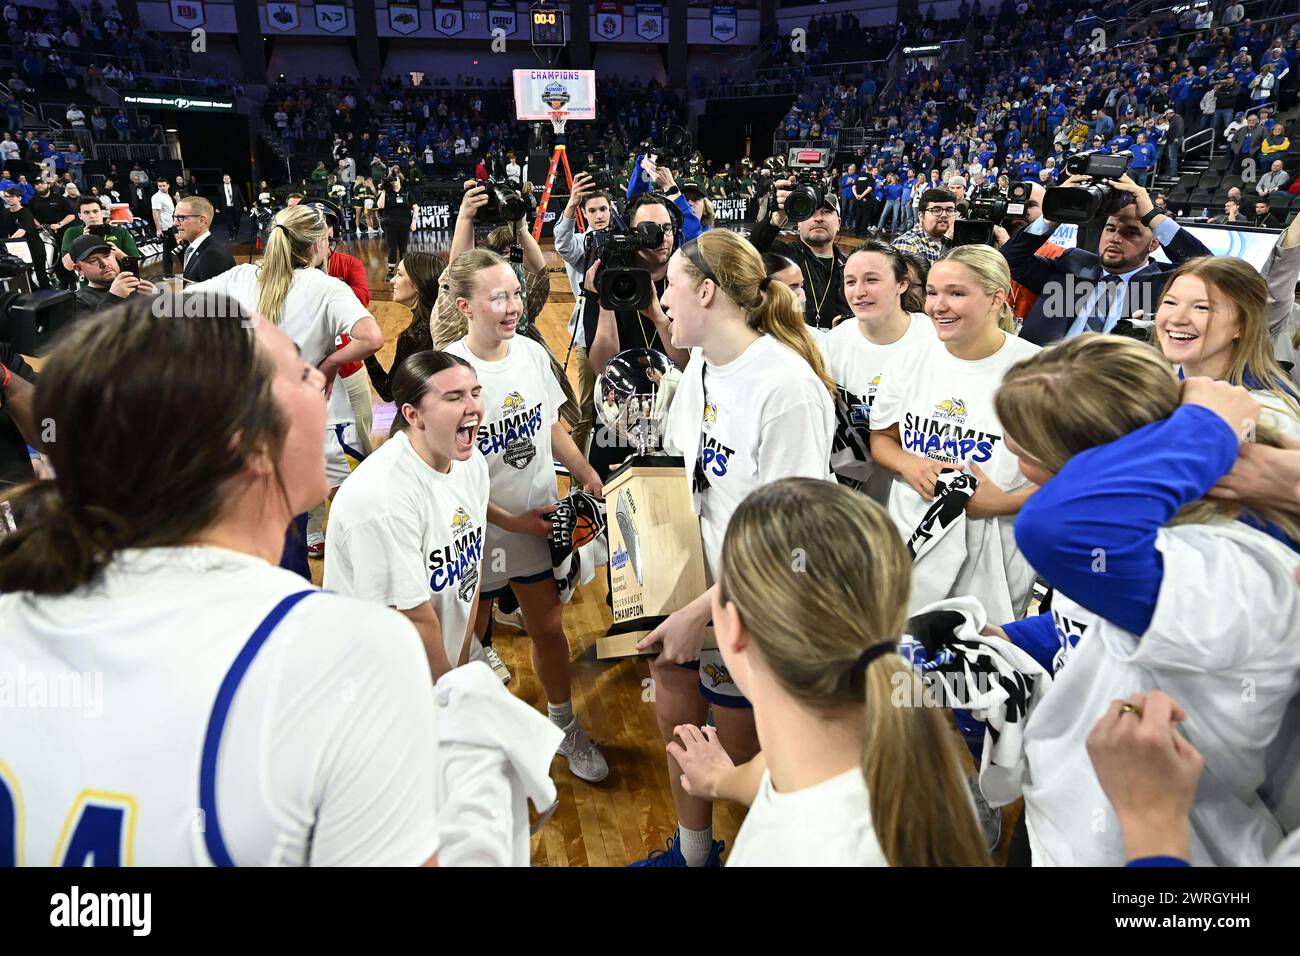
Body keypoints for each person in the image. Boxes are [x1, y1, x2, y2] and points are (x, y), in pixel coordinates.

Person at [0, 295, 448, 866]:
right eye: (301, 370)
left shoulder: (21, 608)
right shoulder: (351, 652)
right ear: (249, 446)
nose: (320, 382)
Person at [994, 341, 1300, 865]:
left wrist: (1207, 424)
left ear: (1092, 471)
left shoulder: (1225, 568)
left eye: (1022, 450)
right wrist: (1016, 640)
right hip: (1071, 815)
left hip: (1153, 846)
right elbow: (1105, 632)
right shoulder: (1143, 545)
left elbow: (1054, 528)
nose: (1013, 461)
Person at [629, 230, 836, 867]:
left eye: (671, 287)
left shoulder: (786, 389)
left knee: (744, 765)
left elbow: (789, 542)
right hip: (702, 591)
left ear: (709, 292)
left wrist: (700, 614)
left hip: (762, 609)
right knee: (682, 733)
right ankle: (693, 858)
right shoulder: (701, 371)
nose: (663, 301)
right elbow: (689, 489)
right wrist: (657, 587)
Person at [665, 479, 991, 866]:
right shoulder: (871, 743)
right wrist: (719, 780)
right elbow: (772, 776)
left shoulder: (781, 853)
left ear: (735, 630)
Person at [442, 249, 610, 782]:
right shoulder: (448, 371)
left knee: (549, 628)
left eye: (515, 293)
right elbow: (445, 475)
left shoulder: (533, 354)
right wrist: (509, 522)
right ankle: (470, 739)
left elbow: (548, 425)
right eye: (499, 297)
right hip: (473, 534)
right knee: (465, 639)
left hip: (537, 525)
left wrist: (583, 471)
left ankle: (562, 725)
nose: (513, 306)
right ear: (465, 306)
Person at [188, 205, 384, 579]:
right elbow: (371, 337)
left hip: (255, 422)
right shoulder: (326, 287)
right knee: (340, 505)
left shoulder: (243, 276)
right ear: (318, 244)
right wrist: (328, 364)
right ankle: (360, 580)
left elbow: (178, 301)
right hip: (311, 424)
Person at [869, 245, 1041, 622]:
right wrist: (910, 464)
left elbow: (1074, 478)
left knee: (978, 669)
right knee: (901, 663)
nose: (937, 306)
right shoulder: (910, 359)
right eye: (932, 292)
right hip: (910, 537)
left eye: (956, 293)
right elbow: (882, 440)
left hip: (995, 551)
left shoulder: (1038, 370)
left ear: (998, 297)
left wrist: (1003, 503)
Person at [325, 351, 489, 681]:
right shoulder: (382, 497)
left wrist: (458, 662)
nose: (472, 407)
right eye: (454, 397)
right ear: (414, 415)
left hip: (436, 667)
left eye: (475, 392)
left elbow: (471, 572)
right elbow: (411, 617)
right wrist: (446, 699)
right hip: (377, 682)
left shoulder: (471, 464)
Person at [1003, 173, 1213, 344]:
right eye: (1110, 228)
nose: (1115, 238)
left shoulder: (1163, 286)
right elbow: (1009, 261)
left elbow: (1214, 275)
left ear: (1154, 243)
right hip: (1041, 377)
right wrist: (1052, 215)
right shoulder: (1072, 264)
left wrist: (1153, 216)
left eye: (1130, 232)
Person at [820, 241, 935, 502]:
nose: (859, 292)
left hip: (917, 495)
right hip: (856, 499)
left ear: (901, 284)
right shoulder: (832, 345)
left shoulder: (934, 338)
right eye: (850, 282)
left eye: (871, 280)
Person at [1155, 255, 1300, 436]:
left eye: (1202, 307)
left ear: (1243, 325)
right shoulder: (1152, 385)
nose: (1176, 319)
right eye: (1170, 302)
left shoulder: (1267, 414)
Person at [552, 172, 611, 454]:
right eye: (592, 211)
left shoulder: (623, 239)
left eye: (603, 209)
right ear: (584, 214)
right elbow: (561, 244)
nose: (599, 215)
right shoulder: (579, 244)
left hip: (619, 330)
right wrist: (570, 204)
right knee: (585, 408)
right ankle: (577, 481)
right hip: (587, 335)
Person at [747, 183, 849, 331]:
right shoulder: (781, 256)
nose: (818, 218)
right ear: (799, 223)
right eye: (811, 212)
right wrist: (773, 222)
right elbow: (751, 254)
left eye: (826, 212)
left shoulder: (849, 267)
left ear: (839, 223)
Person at [365, 252, 442, 404]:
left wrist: (366, 350)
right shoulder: (442, 323)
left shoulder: (415, 336)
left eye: (399, 275)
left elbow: (388, 392)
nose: (392, 281)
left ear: (418, 284)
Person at [70, 234, 157, 316]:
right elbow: (90, 331)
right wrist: (114, 299)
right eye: (93, 260)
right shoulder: (78, 302)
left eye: (107, 256)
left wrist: (157, 301)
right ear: (79, 268)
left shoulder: (140, 286)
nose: (104, 263)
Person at [58, 194, 140, 275]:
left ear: (101, 212)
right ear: (80, 216)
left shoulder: (120, 231)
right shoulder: (72, 232)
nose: (92, 216)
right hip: (90, 284)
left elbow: (136, 263)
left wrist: (116, 253)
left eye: (95, 211)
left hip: (121, 279)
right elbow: (68, 266)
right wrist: (82, 242)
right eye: (86, 212)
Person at [177, 196, 236, 284]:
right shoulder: (198, 249)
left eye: (181, 218)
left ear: (201, 221)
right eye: (175, 217)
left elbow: (216, 297)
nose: (175, 223)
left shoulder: (213, 256)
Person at [891, 188, 957, 265]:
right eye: (936, 210)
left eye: (949, 210)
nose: (944, 215)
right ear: (921, 216)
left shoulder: (959, 243)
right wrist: (946, 245)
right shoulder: (907, 243)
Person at [1, 186, 50, 288]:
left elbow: (21, 231)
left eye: (11, 196)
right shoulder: (4, 213)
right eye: (6, 197)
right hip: (19, 249)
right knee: (24, 276)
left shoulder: (25, 213)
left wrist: (5, 243)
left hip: (35, 248)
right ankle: (34, 295)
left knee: (41, 275)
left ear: (19, 198)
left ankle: (49, 297)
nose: (8, 199)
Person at [377, 169, 414, 280]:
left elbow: (415, 207)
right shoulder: (387, 193)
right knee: (392, 248)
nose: (394, 182)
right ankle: (390, 272)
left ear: (399, 180)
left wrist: (414, 222)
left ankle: (404, 271)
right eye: (392, 181)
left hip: (404, 224)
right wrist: (383, 191)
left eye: (396, 180)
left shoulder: (407, 193)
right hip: (390, 225)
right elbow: (380, 206)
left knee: (404, 248)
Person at [150, 177, 178, 278]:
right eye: (159, 186)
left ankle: (168, 274)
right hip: (167, 228)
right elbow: (155, 213)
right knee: (176, 249)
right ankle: (168, 274)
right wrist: (158, 229)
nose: (162, 187)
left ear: (168, 185)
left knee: (168, 251)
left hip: (172, 226)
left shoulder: (167, 196)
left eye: (163, 185)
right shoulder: (156, 197)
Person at [218, 173, 244, 241]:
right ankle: (231, 235)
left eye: (228, 178)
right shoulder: (220, 187)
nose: (227, 179)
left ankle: (235, 232)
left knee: (237, 222)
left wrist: (244, 205)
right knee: (229, 222)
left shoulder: (235, 186)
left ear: (230, 179)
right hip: (226, 208)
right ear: (223, 180)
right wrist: (217, 208)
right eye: (225, 178)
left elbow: (240, 196)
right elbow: (219, 198)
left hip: (235, 207)